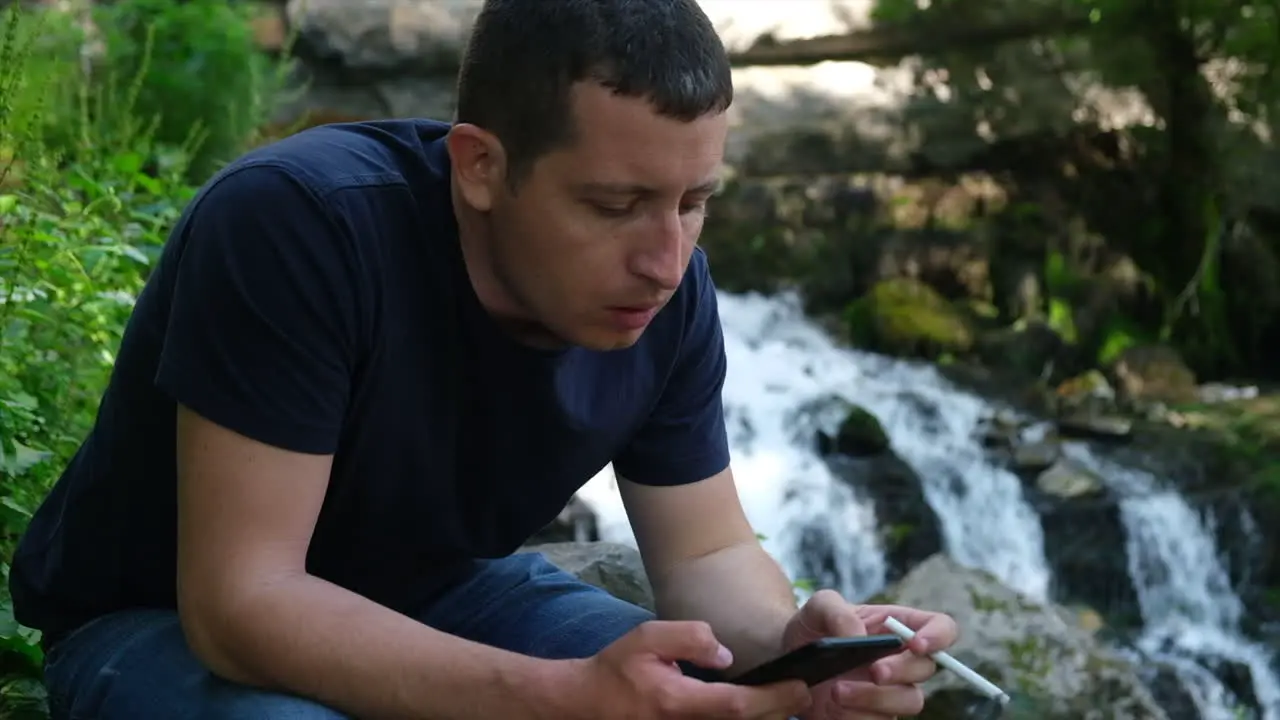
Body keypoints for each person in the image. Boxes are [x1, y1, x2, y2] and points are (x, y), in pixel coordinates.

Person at [10, 0, 960, 718]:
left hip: (442, 588)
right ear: (480, 167)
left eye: (694, 201)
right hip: (155, 621)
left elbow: (708, 550)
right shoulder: (301, 226)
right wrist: (560, 695)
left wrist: (793, 646)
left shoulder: (671, 291)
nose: (666, 259)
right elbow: (240, 604)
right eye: (613, 204)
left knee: (713, 698)